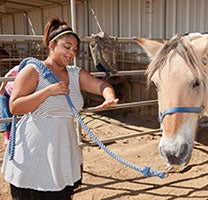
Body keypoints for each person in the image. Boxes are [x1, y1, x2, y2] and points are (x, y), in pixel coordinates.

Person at [1, 18, 119, 200]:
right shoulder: (33, 71)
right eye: (67, 46)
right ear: (52, 45)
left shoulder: (75, 74)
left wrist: (109, 96)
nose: (71, 52)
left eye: (74, 49)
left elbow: (101, 85)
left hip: (63, 146)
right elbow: (15, 106)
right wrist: (47, 92)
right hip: (36, 149)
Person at [0, 65, 19, 145]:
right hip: (7, 93)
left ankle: (14, 134)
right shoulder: (18, 68)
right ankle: (7, 137)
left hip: (17, 94)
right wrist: (2, 88)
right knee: (7, 114)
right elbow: (7, 76)